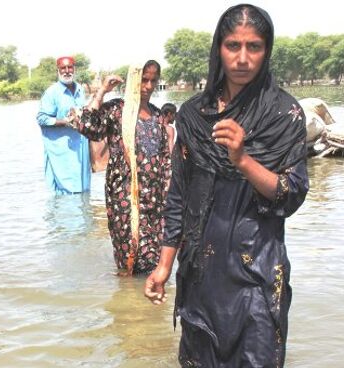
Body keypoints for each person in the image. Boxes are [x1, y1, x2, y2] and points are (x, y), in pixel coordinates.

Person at [144, 4, 309, 367]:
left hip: (258, 274)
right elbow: (179, 199)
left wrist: (244, 160)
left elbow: (292, 192)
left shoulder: (284, 114)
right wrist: (163, 266)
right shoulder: (193, 116)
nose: (243, 58)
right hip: (202, 274)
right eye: (233, 45)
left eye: (255, 47)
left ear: (267, 51)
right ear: (219, 48)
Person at [69, 60, 172, 275]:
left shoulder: (158, 116)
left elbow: (165, 161)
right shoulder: (117, 110)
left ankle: (142, 306)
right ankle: (126, 301)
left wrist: (169, 198)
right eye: (144, 80)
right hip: (124, 200)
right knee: (129, 259)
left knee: (153, 260)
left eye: (153, 80)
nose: (149, 86)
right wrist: (101, 92)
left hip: (154, 202)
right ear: (135, 81)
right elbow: (87, 126)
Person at [36, 56, 89, 194]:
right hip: (61, 152)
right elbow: (41, 118)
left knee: (83, 192)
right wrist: (64, 122)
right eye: (63, 68)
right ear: (58, 71)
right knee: (65, 193)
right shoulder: (52, 92)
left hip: (81, 150)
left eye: (69, 67)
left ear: (74, 69)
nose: (67, 71)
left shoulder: (80, 90)